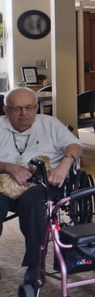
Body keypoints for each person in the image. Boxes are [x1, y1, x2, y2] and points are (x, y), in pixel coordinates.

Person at [0, 88, 83, 285]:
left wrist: (64, 165)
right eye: (17, 108)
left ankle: (35, 264)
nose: (24, 113)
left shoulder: (50, 124)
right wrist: (8, 167)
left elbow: (75, 146)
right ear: (5, 110)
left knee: (33, 201)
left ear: (37, 107)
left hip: (44, 181)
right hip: (3, 182)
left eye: (29, 107)